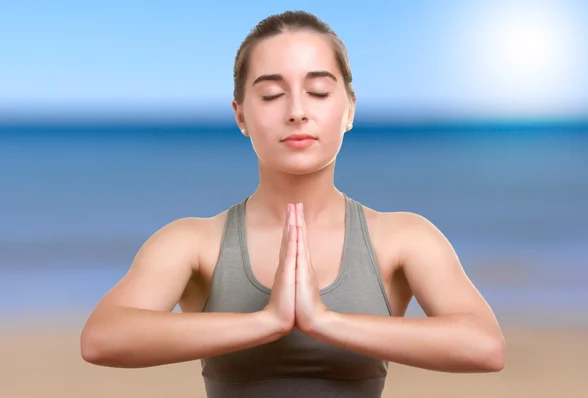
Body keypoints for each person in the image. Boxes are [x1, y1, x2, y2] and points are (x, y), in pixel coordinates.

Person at [80, 10, 506, 397]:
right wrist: (266, 321)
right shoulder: (194, 242)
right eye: (270, 95)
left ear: (349, 110)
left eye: (319, 91)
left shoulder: (402, 238)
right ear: (241, 115)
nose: (297, 111)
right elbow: (102, 339)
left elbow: (485, 347)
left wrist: (324, 321)